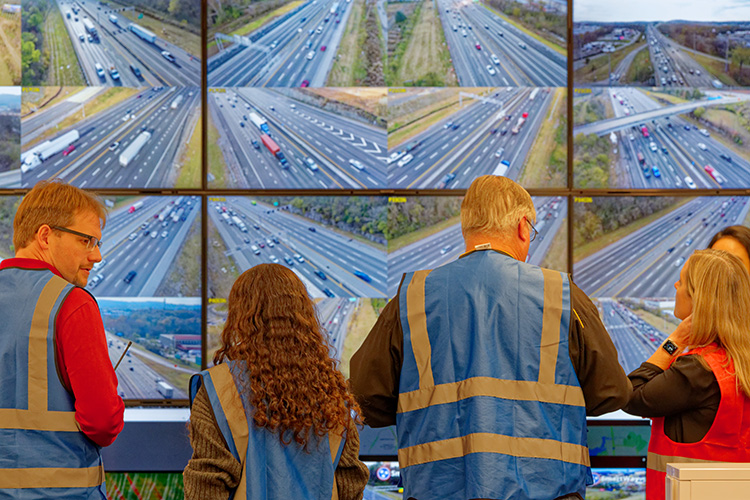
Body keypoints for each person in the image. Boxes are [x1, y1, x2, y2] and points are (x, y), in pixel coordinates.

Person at [350, 175, 632, 500]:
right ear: (524, 227)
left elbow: (363, 398)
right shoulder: (561, 294)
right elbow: (612, 393)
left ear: (466, 229)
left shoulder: (411, 296)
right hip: (550, 493)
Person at [184, 264, 368, 499]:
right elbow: (350, 485)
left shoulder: (219, 388)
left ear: (240, 317)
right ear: (304, 315)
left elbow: (206, 486)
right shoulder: (331, 392)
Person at [0, 179, 124, 498]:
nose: (96, 256)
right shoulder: (72, 303)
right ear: (45, 236)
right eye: (87, 241)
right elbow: (102, 422)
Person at [624, 249, 750, 499]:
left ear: (698, 300)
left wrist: (674, 340)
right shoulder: (738, 362)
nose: (675, 285)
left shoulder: (697, 371)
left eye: (682, 282)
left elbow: (629, 395)